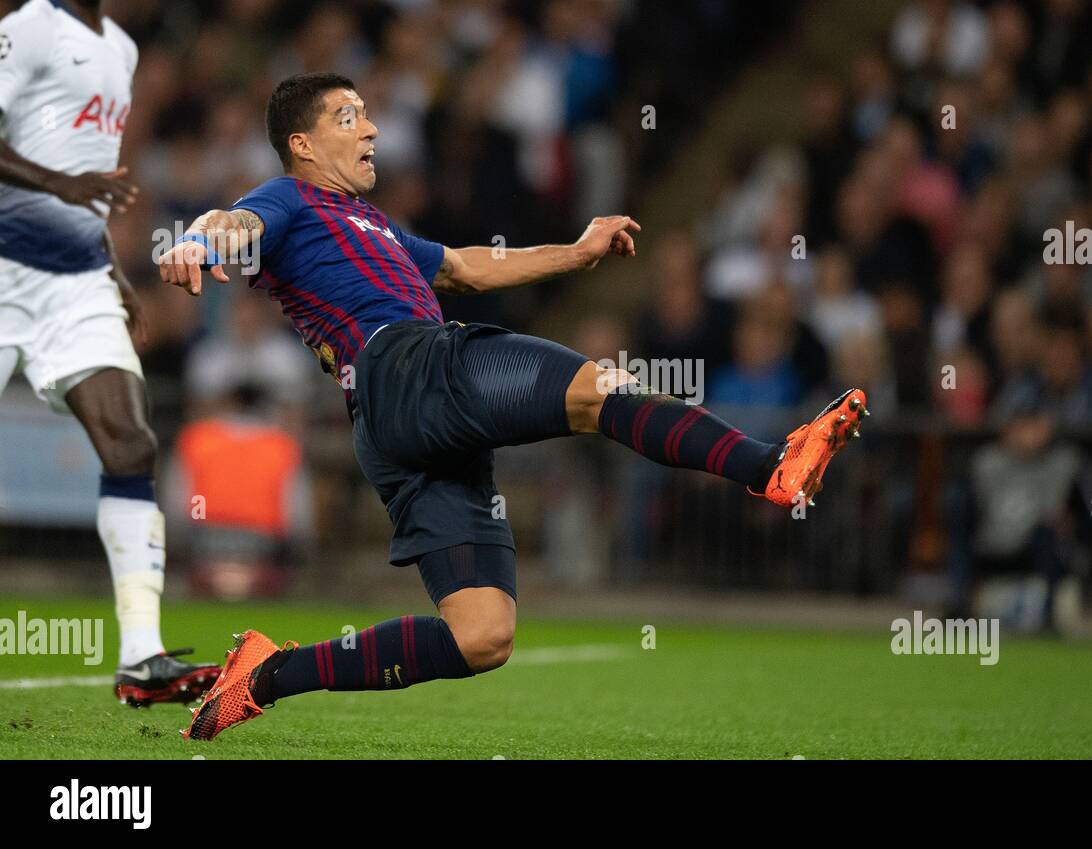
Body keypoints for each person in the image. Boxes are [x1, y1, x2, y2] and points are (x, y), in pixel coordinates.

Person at [157, 73, 867, 740]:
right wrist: (194, 239)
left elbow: (465, 265)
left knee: (482, 634)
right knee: (597, 391)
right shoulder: (288, 199)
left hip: (395, 427)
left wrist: (575, 252)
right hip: (407, 367)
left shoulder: (371, 223)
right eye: (349, 117)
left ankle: (267, 674)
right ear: (304, 146)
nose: (371, 126)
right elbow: (233, 221)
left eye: (368, 113)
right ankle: (768, 465)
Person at [0, 0, 219, 705]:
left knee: (131, 444)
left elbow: (87, 174)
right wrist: (56, 185)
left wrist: (117, 276)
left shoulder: (120, 50)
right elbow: (65, 176)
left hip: (76, 282)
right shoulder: (28, 27)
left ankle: (141, 657)